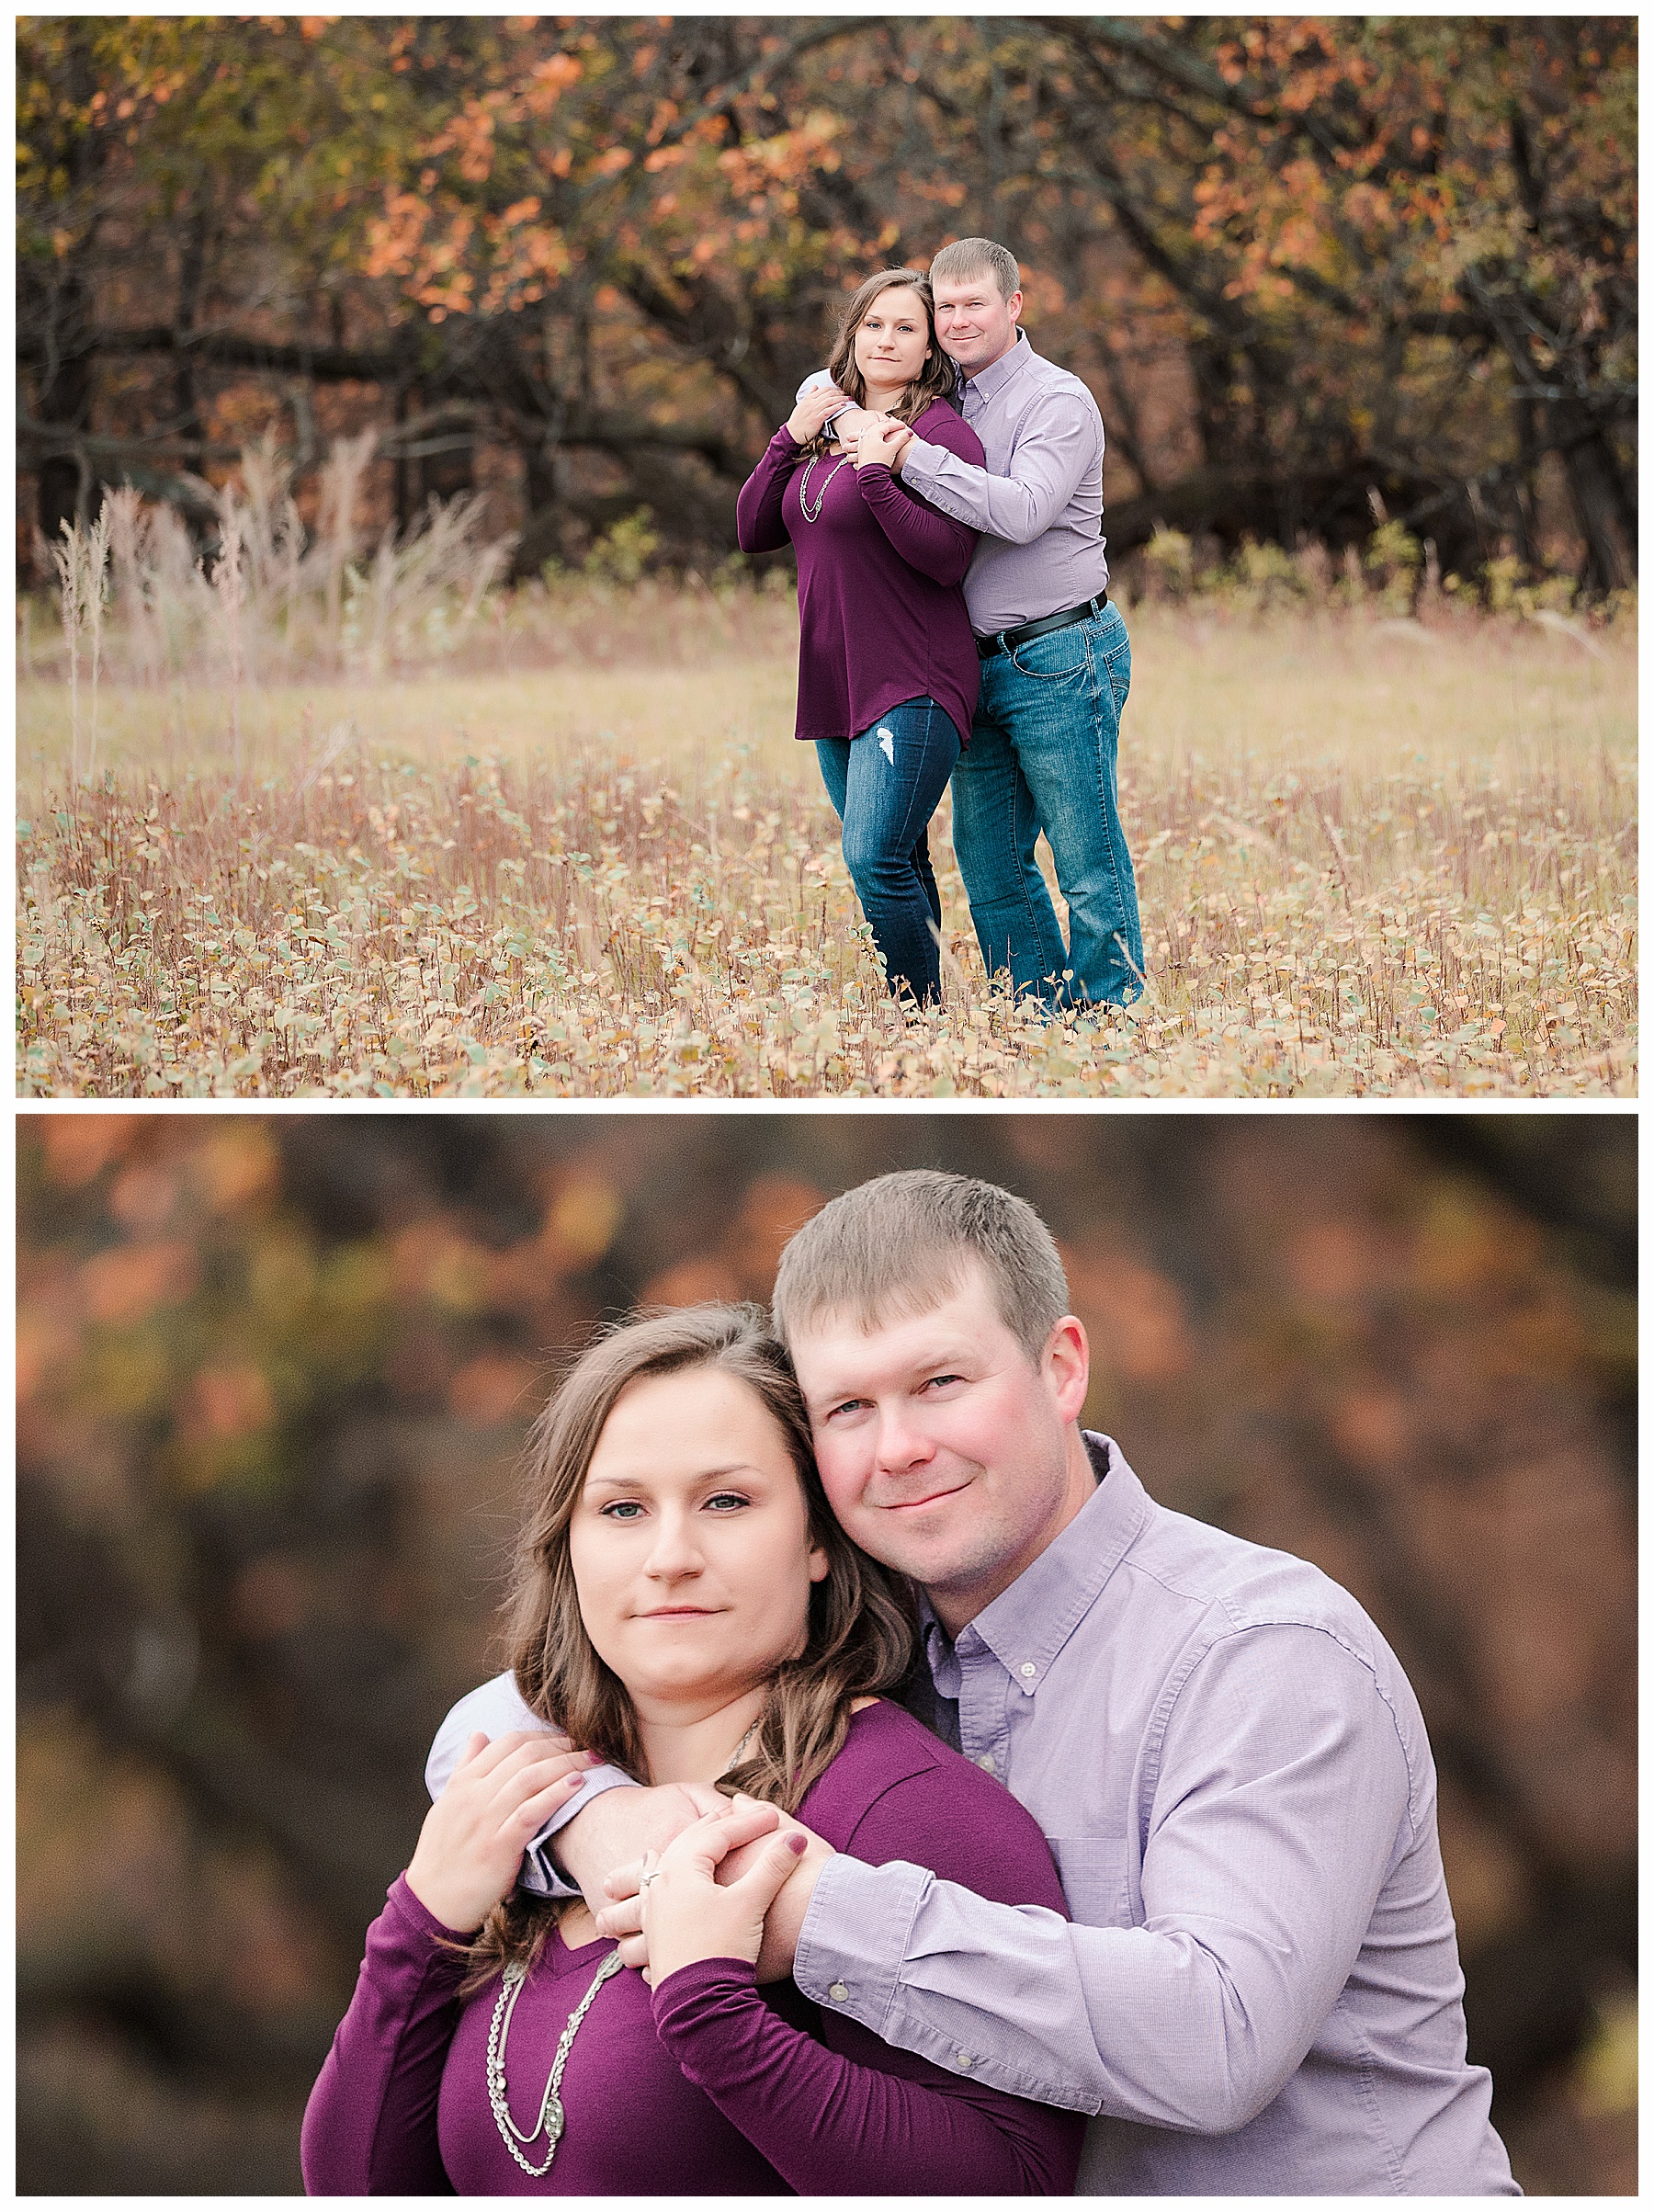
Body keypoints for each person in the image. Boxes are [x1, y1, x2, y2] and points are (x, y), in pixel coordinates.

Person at [470, 1173, 1518, 2195]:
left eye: (941, 1383)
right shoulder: (871, 1639)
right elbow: (510, 1708)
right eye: (847, 1407)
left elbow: (1220, 2038)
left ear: (1061, 1367)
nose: (901, 1448)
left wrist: (821, 1914)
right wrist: (603, 1816)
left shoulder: (1261, 1652)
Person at [301, 1303, 1082, 2195]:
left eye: (726, 1501)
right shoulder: (532, 1803)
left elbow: (1014, 2180)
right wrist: (419, 1923)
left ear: (818, 1538)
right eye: (623, 1508)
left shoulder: (900, 1803)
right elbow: (356, 2186)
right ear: (570, 1544)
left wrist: (714, 2014)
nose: (670, 1555)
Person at [811, 237, 1145, 1015]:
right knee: (991, 861)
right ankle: (1038, 1012)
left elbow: (1024, 511)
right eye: (946, 308)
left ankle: (1112, 1021)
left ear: (1014, 306)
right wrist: (835, 408)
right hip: (970, 663)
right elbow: (840, 377)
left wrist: (904, 457)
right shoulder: (945, 395)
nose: (959, 321)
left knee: (1084, 853)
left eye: (976, 305)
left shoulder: (1057, 401)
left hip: (1059, 650)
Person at [736, 268, 987, 1009]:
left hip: (913, 678)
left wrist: (880, 475)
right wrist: (790, 436)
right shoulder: (824, 423)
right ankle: (931, 1022)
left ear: (930, 344)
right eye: (874, 324)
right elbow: (753, 530)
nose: (887, 340)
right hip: (837, 679)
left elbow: (948, 558)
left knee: (872, 856)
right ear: (852, 333)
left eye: (907, 327)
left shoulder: (940, 432)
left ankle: (918, 1017)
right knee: (900, 857)